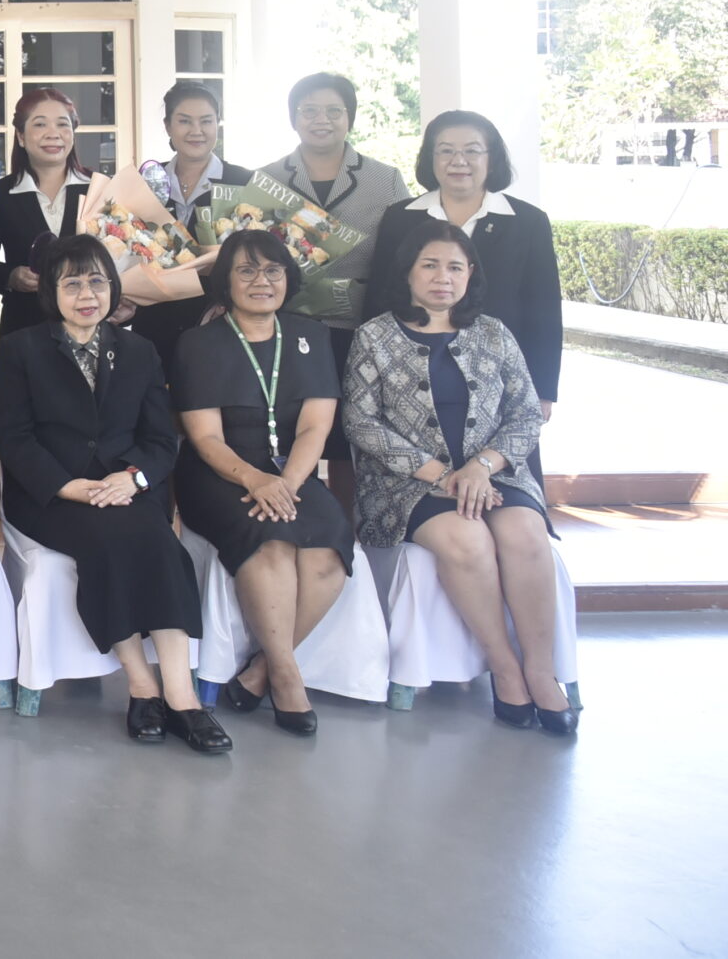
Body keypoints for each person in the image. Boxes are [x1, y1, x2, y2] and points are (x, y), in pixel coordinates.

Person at [0, 234, 227, 753]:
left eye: (97, 282)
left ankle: (181, 696)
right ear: (51, 292)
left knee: (162, 543)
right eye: (72, 283)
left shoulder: (139, 351)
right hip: (50, 495)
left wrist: (133, 479)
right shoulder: (21, 349)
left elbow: (160, 440)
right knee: (111, 538)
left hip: (125, 488)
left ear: (114, 287)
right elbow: (12, 437)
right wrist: (68, 485)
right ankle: (141, 684)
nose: (87, 295)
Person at [344, 216, 572, 735]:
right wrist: (444, 475)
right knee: (468, 540)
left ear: (470, 274)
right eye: (429, 265)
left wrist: (482, 466)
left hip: (493, 475)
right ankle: (505, 668)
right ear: (407, 272)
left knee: (526, 533)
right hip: (405, 484)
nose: (442, 277)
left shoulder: (494, 333)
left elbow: (526, 413)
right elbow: (360, 421)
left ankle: (541, 671)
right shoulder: (374, 336)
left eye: (454, 267)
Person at [170, 230, 353, 735]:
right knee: (271, 543)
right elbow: (205, 437)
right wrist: (256, 480)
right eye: (246, 271)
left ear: (288, 278)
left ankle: (261, 670)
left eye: (273, 270)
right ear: (226, 282)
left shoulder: (311, 335)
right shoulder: (199, 343)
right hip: (221, 473)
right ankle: (288, 679)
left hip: (293, 470)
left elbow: (316, 426)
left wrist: (287, 483)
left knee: (327, 549)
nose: (261, 281)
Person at [369, 111, 563, 434]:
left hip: (502, 378)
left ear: (492, 158)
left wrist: (542, 388)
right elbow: (380, 296)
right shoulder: (400, 218)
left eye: (472, 150)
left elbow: (544, 308)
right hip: (413, 375)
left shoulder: (528, 222)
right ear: (430, 158)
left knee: (500, 460)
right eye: (445, 150)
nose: (458, 161)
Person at [256, 72, 411, 359]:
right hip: (283, 321)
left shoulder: (385, 180)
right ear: (293, 119)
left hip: (363, 324)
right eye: (309, 111)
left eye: (334, 111)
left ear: (349, 118)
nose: (321, 120)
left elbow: (408, 254)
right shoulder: (267, 179)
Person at [132, 81, 250, 368]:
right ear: (168, 126)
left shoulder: (243, 182)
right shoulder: (146, 179)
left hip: (220, 323)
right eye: (184, 121)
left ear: (217, 124)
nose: (196, 131)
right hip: (153, 323)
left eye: (206, 121)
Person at [0, 87, 94, 351]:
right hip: (23, 330)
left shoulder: (99, 189)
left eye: (62, 124)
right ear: (21, 136)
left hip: (89, 329)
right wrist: (10, 276)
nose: (53, 133)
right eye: (40, 124)